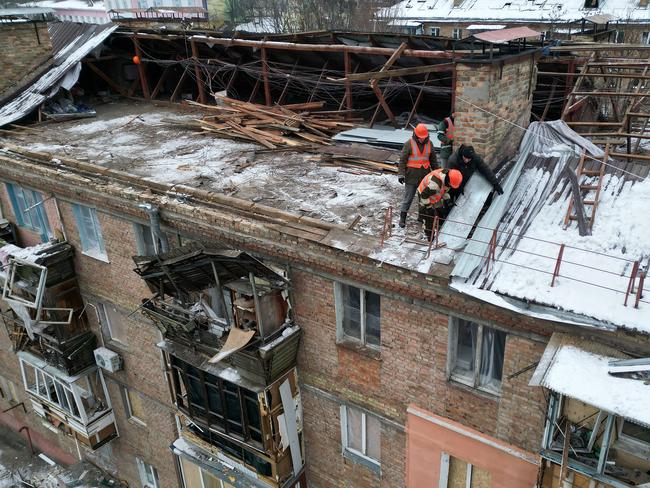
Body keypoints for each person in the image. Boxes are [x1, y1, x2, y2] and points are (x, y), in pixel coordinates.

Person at [398, 123, 438, 228]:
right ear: (416, 135)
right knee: (408, 198)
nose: (422, 140)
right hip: (411, 177)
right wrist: (401, 174)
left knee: (423, 199)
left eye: (424, 138)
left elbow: (433, 160)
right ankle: (402, 218)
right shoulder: (409, 144)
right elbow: (402, 160)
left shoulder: (430, 144)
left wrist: (437, 173)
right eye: (420, 138)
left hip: (425, 176)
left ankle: (421, 217)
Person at [417, 168, 463, 240]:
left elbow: (443, 190)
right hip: (424, 194)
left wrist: (448, 200)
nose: (450, 187)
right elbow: (424, 195)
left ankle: (440, 230)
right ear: (448, 180)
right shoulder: (435, 184)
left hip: (435, 194)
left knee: (441, 212)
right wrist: (429, 207)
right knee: (429, 216)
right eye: (451, 185)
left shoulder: (448, 176)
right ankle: (429, 236)